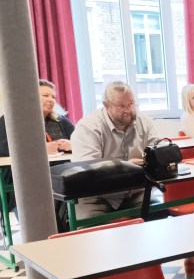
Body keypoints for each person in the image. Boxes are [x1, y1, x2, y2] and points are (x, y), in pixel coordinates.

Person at [70, 81, 160, 220]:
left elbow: (159, 152)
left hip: (135, 191)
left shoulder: (145, 122)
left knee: (158, 213)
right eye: (121, 106)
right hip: (95, 195)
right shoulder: (89, 126)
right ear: (106, 105)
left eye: (131, 104)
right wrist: (125, 167)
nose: (128, 110)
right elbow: (87, 169)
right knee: (89, 225)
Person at [0, 79, 75, 219]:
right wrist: (38, 149)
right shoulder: (11, 120)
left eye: (53, 96)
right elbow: (2, 146)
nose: (51, 100)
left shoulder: (61, 121)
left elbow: (80, 141)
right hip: (26, 179)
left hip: (58, 176)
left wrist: (71, 145)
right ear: (31, 97)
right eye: (45, 95)